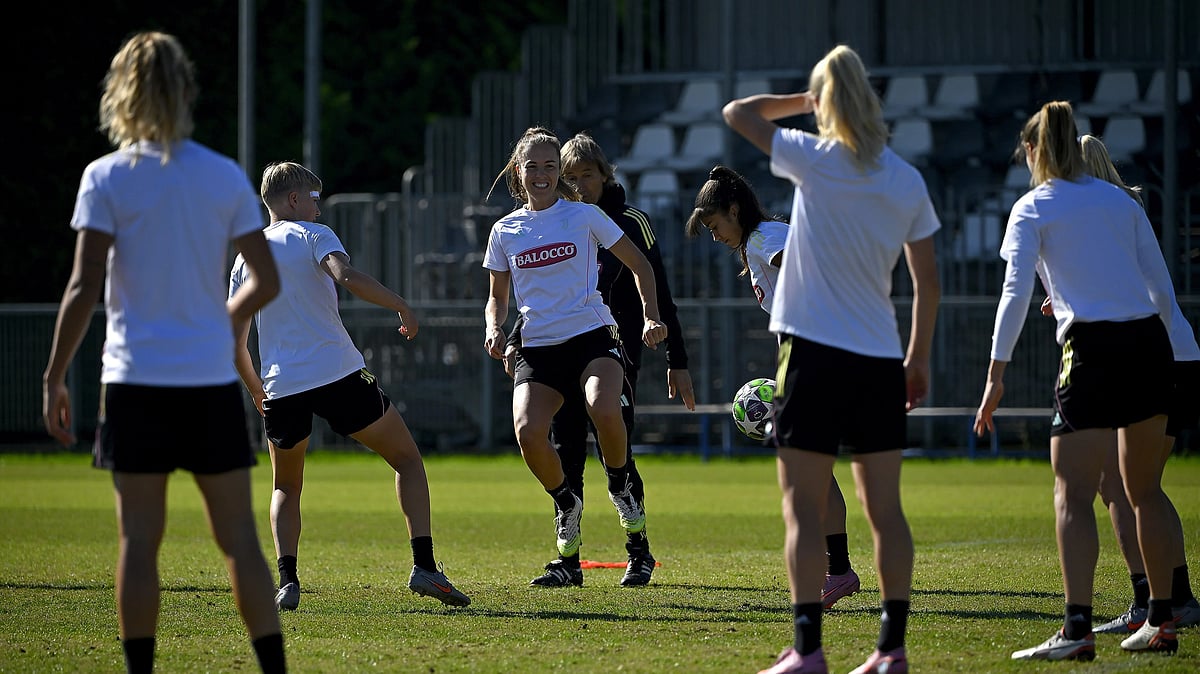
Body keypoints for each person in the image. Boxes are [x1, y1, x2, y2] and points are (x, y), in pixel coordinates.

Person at [40, 31, 287, 674]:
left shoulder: (105, 177)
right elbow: (266, 279)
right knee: (240, 541)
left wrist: (54, 377)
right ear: (185, 89)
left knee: (139, 541)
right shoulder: (222, 173)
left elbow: (83, 284)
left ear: (121, 91)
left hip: (134, 382)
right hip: (207, 382)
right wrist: (220, 322)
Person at [724, 44, 941, 674]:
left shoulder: (814, 156)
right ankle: (891, 650)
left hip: (812, 353)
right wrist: (917, 358)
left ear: (825, 101)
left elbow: (738, 112)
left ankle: (808, 651)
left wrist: (805, 100)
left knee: (802, 506)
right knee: (885, 510)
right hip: (879, 356)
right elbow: (928, 281)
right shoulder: (905, 177)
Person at [975, 103, 1181, 661]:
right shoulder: (1120, 201)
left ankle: (1077, 629)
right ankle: (1161, 620)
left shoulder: (1032, 206)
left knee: (1072, 493)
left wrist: (995, 375)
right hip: (1149, 342)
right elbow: (1160, 289)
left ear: (1033, 150)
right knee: (1144, 491)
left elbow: (1014, 294)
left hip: (1092, 349)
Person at [230, 161, 470, 611]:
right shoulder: (313, 235)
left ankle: (287, 581)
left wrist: (258, 390)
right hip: (338, 374)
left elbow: (235, 341)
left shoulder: (245, 258)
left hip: (282, 387)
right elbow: (347, 276)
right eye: (314, 199)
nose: (319, 208)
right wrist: (401, 305)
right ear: (295, 200)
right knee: (407, 460)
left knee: (286, 487)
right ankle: (424, 566)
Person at [503, 131, 695, 588]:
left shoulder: (623, 220)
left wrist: (676, 356)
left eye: (585, 175)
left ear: (605, 176)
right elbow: (540, 294)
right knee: (566, 450)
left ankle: (638, 550)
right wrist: (511, 336)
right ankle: (568, 560)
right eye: (569, 176)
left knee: (615, 442)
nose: (577, 184)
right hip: (553, 351)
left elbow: (655, 281)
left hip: (611, 348)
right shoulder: (547, 223)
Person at [685, 164, 861, 609]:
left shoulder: (764, 238)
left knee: (806, 469)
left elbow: (808, 268)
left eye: (715, 225)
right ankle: (837, 570)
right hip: (807, 353)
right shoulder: (760, 241)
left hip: (813, 354)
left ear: (734, 210)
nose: (715, 236)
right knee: (813, 469)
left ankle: (836, 571)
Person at [1063, 136, 1199, 635]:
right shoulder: (1125, 212)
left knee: (1124, 486)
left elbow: (1144, 297)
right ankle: (1173, 599)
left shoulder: (1104, 218)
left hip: (1152, 359)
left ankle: (1153, 600)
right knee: (1139, 487)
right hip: (1178, 356)